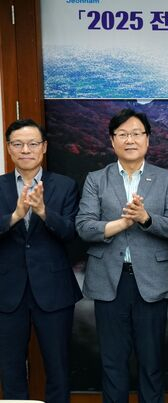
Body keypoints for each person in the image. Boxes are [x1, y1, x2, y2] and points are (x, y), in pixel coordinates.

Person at [76, 108, 168, 403]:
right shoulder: (96, 179)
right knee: (113, 362)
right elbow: (84, 226)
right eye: (122, 134)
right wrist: (122, 223)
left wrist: (145, 219)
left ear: (148, 139)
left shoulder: (166, 179)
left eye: (136, 133)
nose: (130, 140)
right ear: (112, 141)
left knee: (151, 362)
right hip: (109, 280)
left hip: (150, 280)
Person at [0, 119, 82, 403]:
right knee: (10, 369)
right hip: (7, 292)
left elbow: (71, 232)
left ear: (44, 147)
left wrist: (44, 212)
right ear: (9, 148)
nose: (26, 150)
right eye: (18, 144)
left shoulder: (64, 185)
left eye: (33, 144)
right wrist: (15, 216)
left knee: (58, 368)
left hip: (54, 290)